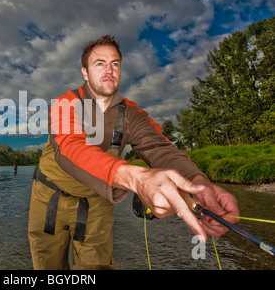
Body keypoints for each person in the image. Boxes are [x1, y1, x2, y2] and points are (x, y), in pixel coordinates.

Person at [28, 35, 240, 270]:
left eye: (115, 63)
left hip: (97, 204)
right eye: (100, 63)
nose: (109, 70)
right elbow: (70, 147)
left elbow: (159, 148)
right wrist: (136, 178)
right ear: (85, 73)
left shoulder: (131, 114)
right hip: (48, 198)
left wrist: (198, 183)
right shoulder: (64, 104)